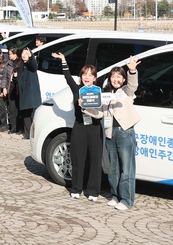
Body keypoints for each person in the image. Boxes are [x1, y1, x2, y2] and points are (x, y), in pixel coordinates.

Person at [52, 51, 104, 201]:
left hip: (94, 129)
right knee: (78, 159)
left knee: (94, 160)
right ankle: (76, 188)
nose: (87, 77)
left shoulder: (99, 92)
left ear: (95, 78)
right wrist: (63, 61)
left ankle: (93, 191)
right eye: (84, 74)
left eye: (90, 75)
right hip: (80, 127)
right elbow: (68, 78)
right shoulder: (77, 90)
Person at [102, 57, 141, 211]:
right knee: (113, 169)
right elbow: (99, 114)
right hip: (110, 133)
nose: (116, 79)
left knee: (126, 168)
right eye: (113, 76)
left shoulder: (125, 91)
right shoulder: (105, 94)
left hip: (125, 132)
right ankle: (115, 196)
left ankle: (126, 199)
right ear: (109, 78)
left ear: (123, 79)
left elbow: (133, 85)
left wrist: (132, 70)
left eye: (119, 76)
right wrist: (85, 106)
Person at [17, 47, 41, 139]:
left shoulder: (31, 65)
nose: (24, 55)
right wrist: (15, 77)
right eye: (23, 53)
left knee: (33, 115)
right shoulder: (20, 66)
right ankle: (27, 134)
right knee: (26, 115)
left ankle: (34, 134)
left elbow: (33, 65)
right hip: (24, 93)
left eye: (26, 53)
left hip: (31, 93)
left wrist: (31, 57)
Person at [6, 47, 20, 134]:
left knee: (18, 109)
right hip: (10, 87)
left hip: (17, 88)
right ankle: (13, 127)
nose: (9, 55)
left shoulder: (20, 63)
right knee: (11, 109)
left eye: (10, 54)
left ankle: (19, 127)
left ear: (15, 54)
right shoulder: (9, 63)